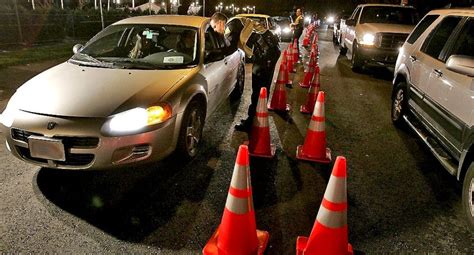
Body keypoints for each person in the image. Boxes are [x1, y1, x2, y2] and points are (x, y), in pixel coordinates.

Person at [210, 12, 280, 132]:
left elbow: (229, 48)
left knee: (258, 89)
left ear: (221, 22)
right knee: (262, 88)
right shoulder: (237, 22)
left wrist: (212, 54)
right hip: (270, 51)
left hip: (266, 55)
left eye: (215, 27)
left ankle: (252, 123)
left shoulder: (230, 26)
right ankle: (256, 119)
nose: (216, 31)